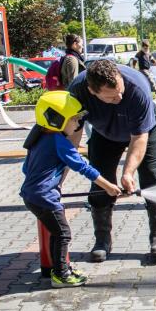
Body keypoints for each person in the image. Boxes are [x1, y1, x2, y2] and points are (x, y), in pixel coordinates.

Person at [67, 60, 156, 264]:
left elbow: (139, 138)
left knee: (153, 178)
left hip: (144, 133)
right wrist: (63, 169)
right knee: (99, 185)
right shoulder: (78, 91)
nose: (120, 97)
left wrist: (128, 172)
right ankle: (102, 241)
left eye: (120, 91)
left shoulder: (137, 88)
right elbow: (73, 134)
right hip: (104, 135)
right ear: (92, 91)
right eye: (112, 96)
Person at [21, 91, 122, 287]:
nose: (77, 125)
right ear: (57, 119)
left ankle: (58, 270)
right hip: (44, 198)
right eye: (74, 120)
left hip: (32, 195)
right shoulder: (59, 141)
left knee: (56, 232)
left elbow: (26, 168)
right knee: (63, 234)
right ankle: (61, 275)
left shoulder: (38, 136)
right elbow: (83, 167)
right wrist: (109, 186)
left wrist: (50, 185)